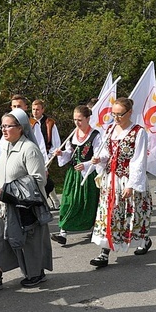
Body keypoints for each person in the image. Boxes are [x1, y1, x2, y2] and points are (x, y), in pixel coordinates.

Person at [0, 107, 53, 290]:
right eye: (2, 126)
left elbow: (39, 179)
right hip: (3, 205)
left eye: (8, 126)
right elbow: (2, 177)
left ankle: (36, 273)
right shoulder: (7, 147)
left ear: (20, 127)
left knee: (28, 243)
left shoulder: (29, 149)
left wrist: (9, 189)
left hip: (23, 207)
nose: (3, 130)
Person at [89, 97, 153, 267]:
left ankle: (144, 240)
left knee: (130, 213)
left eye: (119, 114)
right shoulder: (110, 129)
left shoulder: (139, 132)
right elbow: (106, 153)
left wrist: (132, 184)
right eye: (113, 114)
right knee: (109, 213)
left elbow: (138, 160)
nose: (116, 118)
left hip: (127, 178)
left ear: (130, 112)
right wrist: (99, 160)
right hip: (111, 180)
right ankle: (104, 251)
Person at [50, 105, 102, 245]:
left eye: (79, 119)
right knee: (68, 201)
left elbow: (98, 156)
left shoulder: (95, 136)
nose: (77, 123)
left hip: (88, 175)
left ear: (88, 118)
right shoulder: (73, 134)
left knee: (88, 202)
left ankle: (94, 228)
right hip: (73, 175)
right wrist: (61, 154)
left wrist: (85, 165)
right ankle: (63, 232)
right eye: (74, 120)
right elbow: (70, 154)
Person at [31, 99, 61, 210]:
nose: (35, 112)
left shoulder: (49, 123)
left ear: (43, 110)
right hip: (32, 155)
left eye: (37, 109)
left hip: (46, 155)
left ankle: (49, 202)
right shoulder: (29, 122)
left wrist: (50, 155)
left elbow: (55, 141)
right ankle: (52, 201)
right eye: (33, 109)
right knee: (41, 178)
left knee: (44, 177)